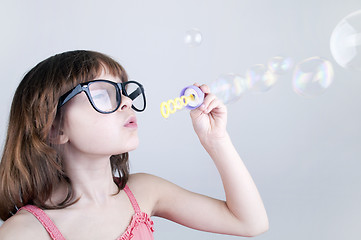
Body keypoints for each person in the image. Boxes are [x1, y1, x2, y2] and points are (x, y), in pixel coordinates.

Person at [0, 50, 268, 239]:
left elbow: (250, 222)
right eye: (103, 94)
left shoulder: (144, 191)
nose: (127, 101)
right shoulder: (25, 232)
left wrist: (216, 140)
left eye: (123, 91)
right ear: (55, 128)